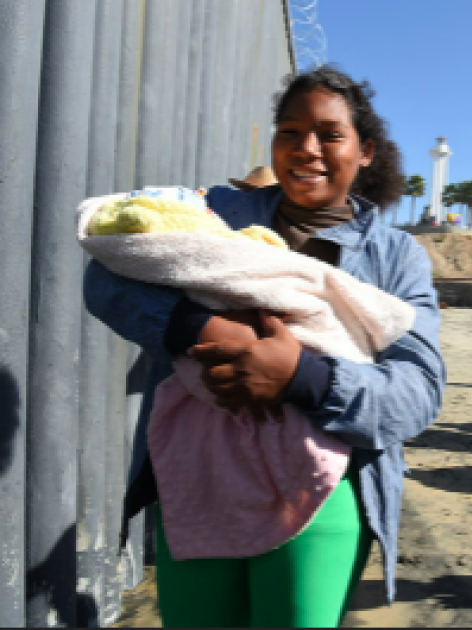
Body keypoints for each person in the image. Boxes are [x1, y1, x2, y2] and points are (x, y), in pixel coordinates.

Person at [83, 65, 445, 627]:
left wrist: (303, 376)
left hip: (324, 496)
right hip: (198, 478)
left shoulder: (397, 257)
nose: (307, 149)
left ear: (366, 150)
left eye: (330, 134)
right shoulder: (214, 215)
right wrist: (200, 330)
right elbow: (106, 276)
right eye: (289, 131)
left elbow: (418, 392)